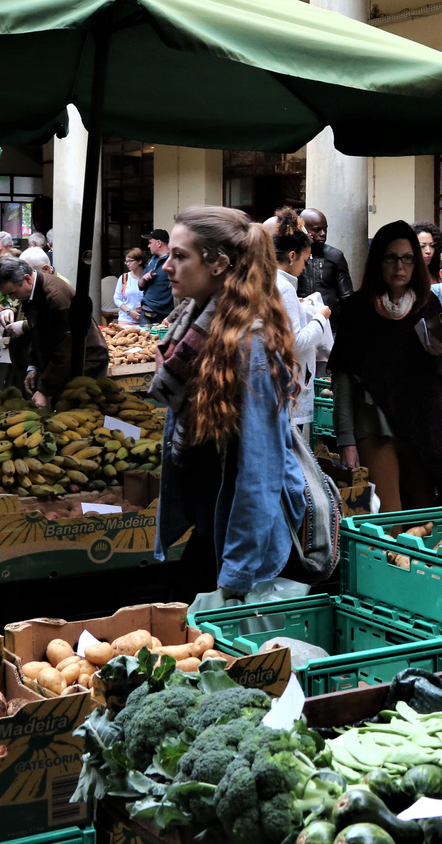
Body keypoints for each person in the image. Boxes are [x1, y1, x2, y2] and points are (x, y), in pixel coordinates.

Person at [149, 206, 306, 601]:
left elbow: (261, 471)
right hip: (213, 525)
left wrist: (235, 575)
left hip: (240, 544)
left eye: (180, 256)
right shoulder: (195, 325)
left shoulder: (247, 345)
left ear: (218, 263)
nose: (167, 266)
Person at [329, 221, 442, 511]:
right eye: (391, 257)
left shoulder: (428, 306)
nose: (399, 266)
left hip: (424, 424)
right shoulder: (357, 310)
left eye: (407, 258)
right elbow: (344, 377)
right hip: (375, 424)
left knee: (423, 518)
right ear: (378, 260)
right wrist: (345, 440)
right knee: (389, 519)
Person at [0, 255, 109, 406]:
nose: (13, 298)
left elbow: (64, 348)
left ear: (27, 279)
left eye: (13, 292)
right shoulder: (33, 292)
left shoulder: (56, 297)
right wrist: (33, 367)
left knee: (79, 413)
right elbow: (38, 331)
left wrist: (45, 390)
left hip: (85, 362)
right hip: (62, 363)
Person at [269, 208, 333, 436]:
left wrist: (297, 304)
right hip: (288, 384)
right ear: (293, 255)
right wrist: (320, 318)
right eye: (305, 260)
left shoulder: (272, 281)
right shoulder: (283, 286)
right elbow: (295, 342)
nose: (305, 266)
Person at [296, 208, 354, 312]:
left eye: (325, 229)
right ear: (303, 230)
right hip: (300, 320)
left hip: (330, 322)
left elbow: (346, 296)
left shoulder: (335, 256)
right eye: (317, 230)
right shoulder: (293, 257)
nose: (323, 233)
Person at [138, 228, 174, 323]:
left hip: (164, 314)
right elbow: (140, 286)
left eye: (150, 242)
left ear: (158, 243)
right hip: (146, 311)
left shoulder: (174, 261)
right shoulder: (151, 260)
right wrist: (144, 279)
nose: (148, 246)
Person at [114, 248, 147, 326]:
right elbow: (117, 298)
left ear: (139, 261)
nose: (127, 264)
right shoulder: (124, 278)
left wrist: (143, 306)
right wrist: (129, 311)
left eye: (130, 261)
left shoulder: (147, 277)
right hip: (125, 320)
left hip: (145, 320)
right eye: (126, 261)